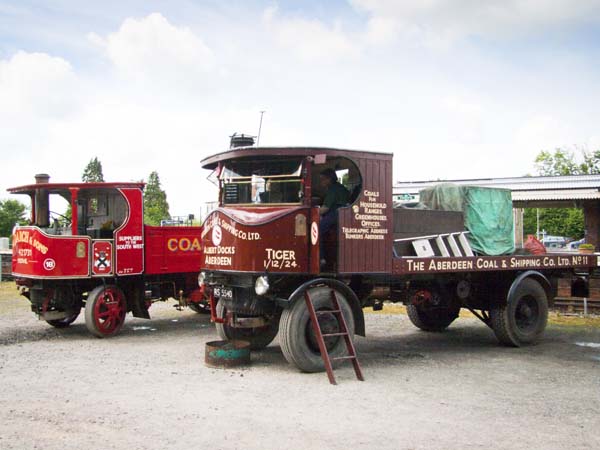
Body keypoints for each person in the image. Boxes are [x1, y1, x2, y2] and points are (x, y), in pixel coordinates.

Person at [318, 168, 349, 267]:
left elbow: (325, 208)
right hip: (343, 214)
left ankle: (321, 258)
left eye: (323, 179)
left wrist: (311, 213)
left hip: (337, 213)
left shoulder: (333, 189)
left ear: (329, 179)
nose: (321, 182)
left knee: (317, 230)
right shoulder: (340, 187)